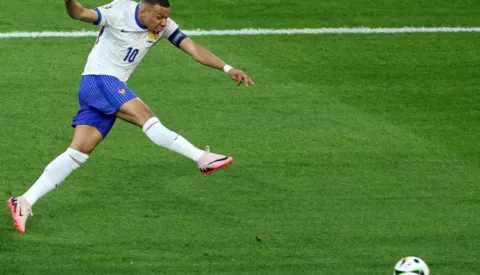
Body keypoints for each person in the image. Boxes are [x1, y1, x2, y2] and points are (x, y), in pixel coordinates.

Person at [7, 0, 255, 233]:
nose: (163, 23)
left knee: (78, 151)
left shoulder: (162, 25)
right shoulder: (119, 11)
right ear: (143, 11)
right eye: (159, 16)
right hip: (100, 80)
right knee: (146, 116)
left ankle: (24, 200)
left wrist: (227, 68)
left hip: (104, 88)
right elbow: (80, 13)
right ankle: (201, 157)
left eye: (166, 17)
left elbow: (194, 49)